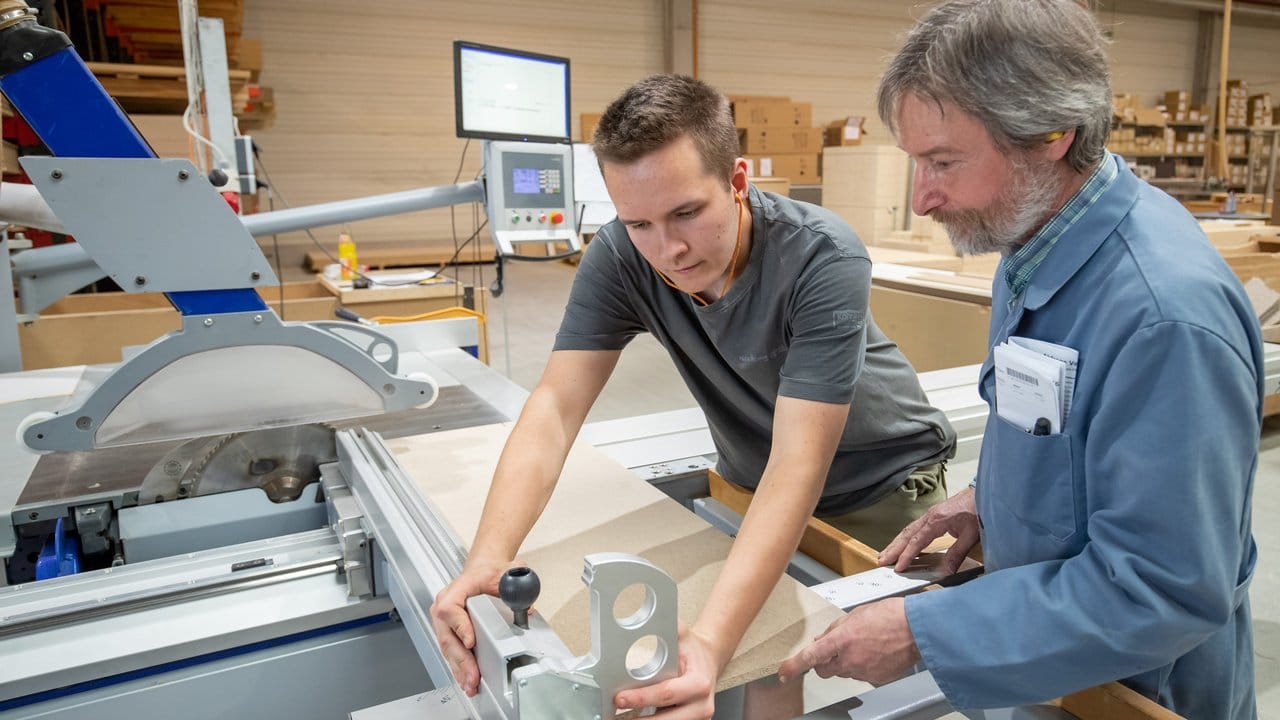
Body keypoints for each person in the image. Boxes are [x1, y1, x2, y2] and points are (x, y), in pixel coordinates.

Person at [779, 1, 1259, 717]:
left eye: (944, 162)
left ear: (1051, 133)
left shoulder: (1163, 319)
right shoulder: (1032, 243)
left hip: (1140, 687)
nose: (923, 197)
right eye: (917, 161)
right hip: (1050, 658)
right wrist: (1001, 504)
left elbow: (1162, 587)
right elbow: (1063, 433)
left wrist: (923, 632)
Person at [430, 73, 956, 717]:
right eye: (640, 223)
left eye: (687, 213)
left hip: (880, 484)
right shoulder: (624, 256)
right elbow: (555, 408)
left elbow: (799, 463)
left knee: (852, 662)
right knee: (756, 661)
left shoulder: (820, 256)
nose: (668, 249)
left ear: (737, 180)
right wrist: (487, 557)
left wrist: (708, 644)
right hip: (753, 482)